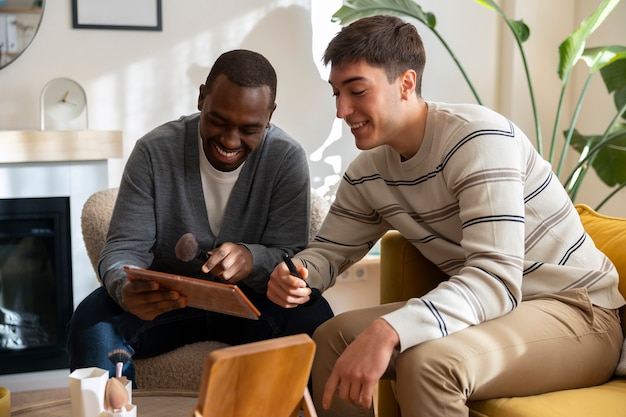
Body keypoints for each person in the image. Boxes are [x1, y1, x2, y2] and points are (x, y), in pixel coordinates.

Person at [268, 15, 625, 417]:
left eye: (356, 91)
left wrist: (391, 329)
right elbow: (328, 253)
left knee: (429, 365)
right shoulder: (367, 172)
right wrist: (297, 272)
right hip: (502, 311)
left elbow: (495, 280)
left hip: (577, 311)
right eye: (336, 93)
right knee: (333, 337)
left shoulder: (479, 140)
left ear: (405, 83)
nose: (341, 110)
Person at [67, 49, 334, 384]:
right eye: (218, 121)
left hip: (252, 303)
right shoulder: (154, 151)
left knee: (316, 318)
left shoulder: (285, 159)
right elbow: (123, 246)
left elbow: (291, 255)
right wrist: (123, 288)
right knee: (91, 323)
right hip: (166, 302)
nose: (230, 140)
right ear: (201, 97)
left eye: (249, 129)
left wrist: (252, 258)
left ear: (270, 116)